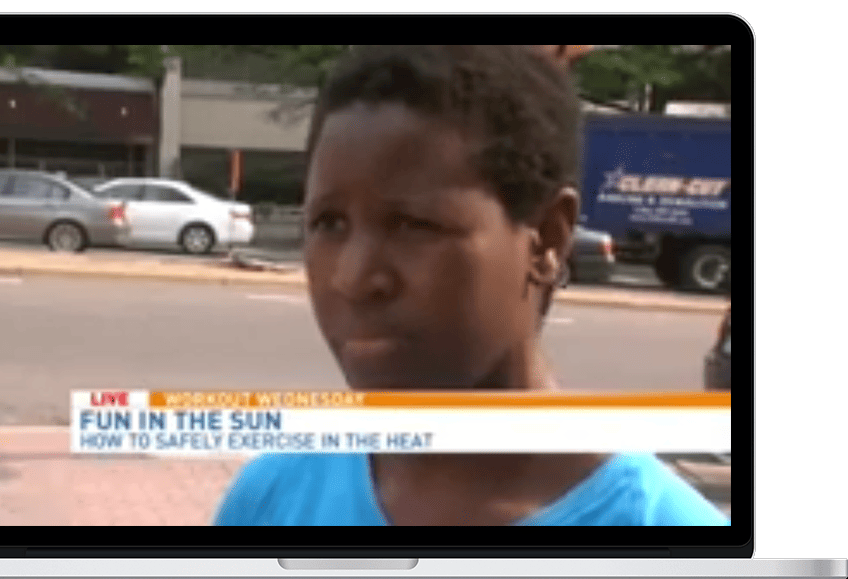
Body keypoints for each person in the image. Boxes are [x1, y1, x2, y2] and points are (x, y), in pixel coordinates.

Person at [213, 45, 730, 526]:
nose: (353, 278)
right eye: (329, 223)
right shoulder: (272, 498)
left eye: (412, 225)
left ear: (548, 237)